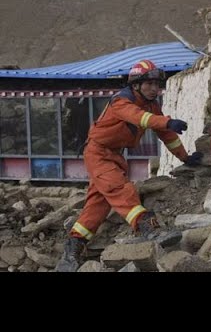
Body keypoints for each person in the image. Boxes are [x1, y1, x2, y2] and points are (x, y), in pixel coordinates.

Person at [55, 59, 203, 272]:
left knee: (97, 205)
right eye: (149, 84)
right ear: (136, 85)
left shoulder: (151, 106)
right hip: (98, 153)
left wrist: (185, 158)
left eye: (156, 84)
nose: (154, 89)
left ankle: (72, 250)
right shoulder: (122, 102)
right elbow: (140, 118)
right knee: (120, 188)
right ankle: (147, 228)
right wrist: (166, 120)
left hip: (114, 155)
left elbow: (167, 135)